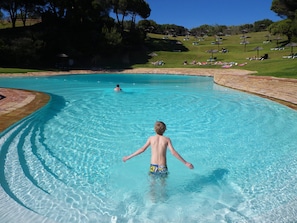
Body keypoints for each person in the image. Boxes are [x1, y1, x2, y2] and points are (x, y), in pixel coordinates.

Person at [122, 121, 194, 176]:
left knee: (152, 186)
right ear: (165, 129)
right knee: (163, 186)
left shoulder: (151, 139)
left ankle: (151, 196)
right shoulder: (167, 139)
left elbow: (142, 149)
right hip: (162, 166)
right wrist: (186, 163)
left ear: (154, 129)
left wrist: (128, 157)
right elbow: (173, 152)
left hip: (153, 166)